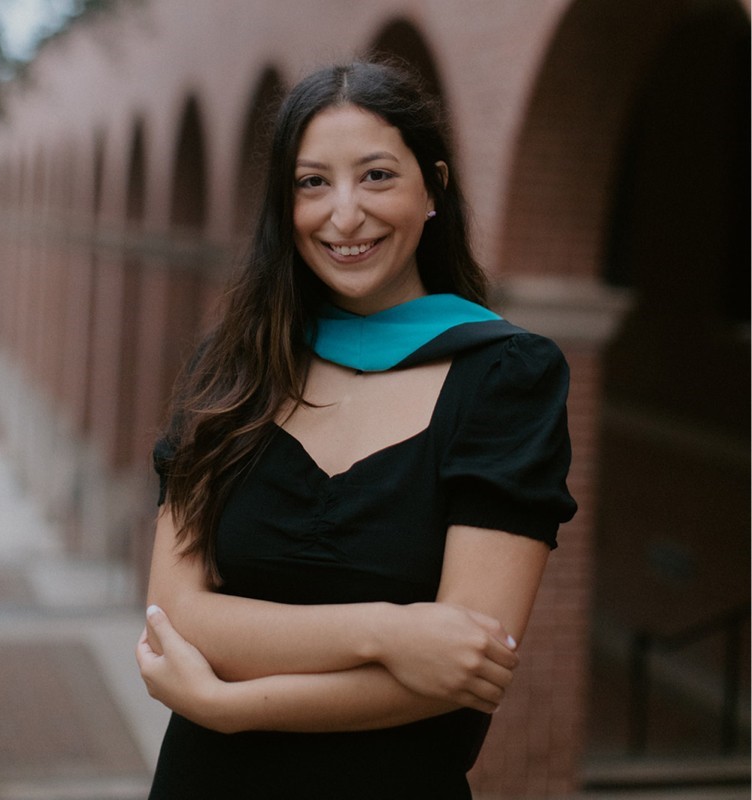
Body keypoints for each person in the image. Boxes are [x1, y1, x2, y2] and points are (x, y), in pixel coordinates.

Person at [136, 60, 576, 800]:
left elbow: (464, 670)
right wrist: (389, 633)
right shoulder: (236, 366)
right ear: (285, 203)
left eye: (376, 176)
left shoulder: (507, 378)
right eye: (313, 183)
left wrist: (228, 705)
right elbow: (175, 612)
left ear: (432, 187)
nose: (344, 216)